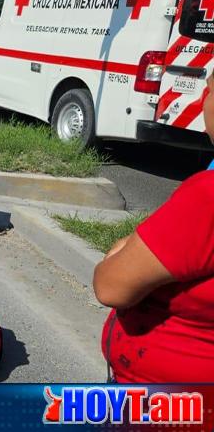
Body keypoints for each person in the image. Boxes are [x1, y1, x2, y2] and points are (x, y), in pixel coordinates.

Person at [93, 73, 214, 382]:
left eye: (210, 91)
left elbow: (110, 285)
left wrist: (128, 245)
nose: (202, 102)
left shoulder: (206, 198)